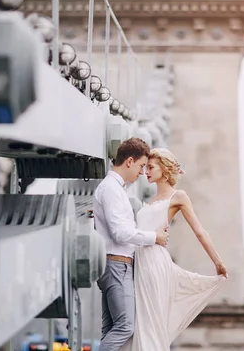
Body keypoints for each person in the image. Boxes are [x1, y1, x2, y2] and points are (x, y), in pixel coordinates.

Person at [122, 147, 228, 351]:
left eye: (151, 167)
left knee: (150, 322)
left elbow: (200, 232)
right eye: (145, 167)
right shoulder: (149, 201)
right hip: (139, 264)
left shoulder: (178, 196)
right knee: (141, 322)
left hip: (154, 263)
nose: (146, 172)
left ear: (164, 168)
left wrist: (218, 262)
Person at [93, 138, 170, 351]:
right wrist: (154, 237)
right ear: (129, 161)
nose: (142, 172)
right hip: (117, 266)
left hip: (112, 265)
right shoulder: (112, 190)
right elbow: (120, 233)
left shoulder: (114, 189)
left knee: (110, 329)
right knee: (125, 327)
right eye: (141, 165)